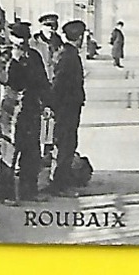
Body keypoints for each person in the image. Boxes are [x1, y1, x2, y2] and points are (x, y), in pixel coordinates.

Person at [0, 21, 49, 203]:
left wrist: (47, 103)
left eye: (25, 38)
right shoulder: (5, 56)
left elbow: (43, 81)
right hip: (12, 111)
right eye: (19, 38)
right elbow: (3, 78)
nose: (22, 42)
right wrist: (13, 60)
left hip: (31, 108)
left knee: (32, 152)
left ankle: (30, 191)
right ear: (11, 38)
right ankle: (7, 195)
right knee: (10, 152)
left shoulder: (34, 56)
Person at [47, 20, 88, 192]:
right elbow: (59, 84)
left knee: (67, 144)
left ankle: (60, 182)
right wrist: (53, 105)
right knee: (66, 144)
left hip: (67, 107)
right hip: (66, 108)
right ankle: (59, 185)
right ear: (79, 37)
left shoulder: (67, 54)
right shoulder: (69, 56)